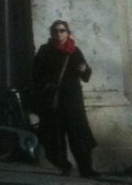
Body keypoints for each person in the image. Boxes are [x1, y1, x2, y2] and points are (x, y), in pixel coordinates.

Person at [31, 19, 97, 178]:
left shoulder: (74, 51)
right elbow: (35, 73)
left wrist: (85, 70)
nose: (58, 34)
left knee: (78, 135)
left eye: (62, 30)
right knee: (53, 137)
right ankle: (63, 165)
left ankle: (86, 169)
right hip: (53, 101)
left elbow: (85, 75)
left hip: (72, 100)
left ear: (68, 33)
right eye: (55, 31)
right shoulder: (45, 50)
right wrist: (45, 85)